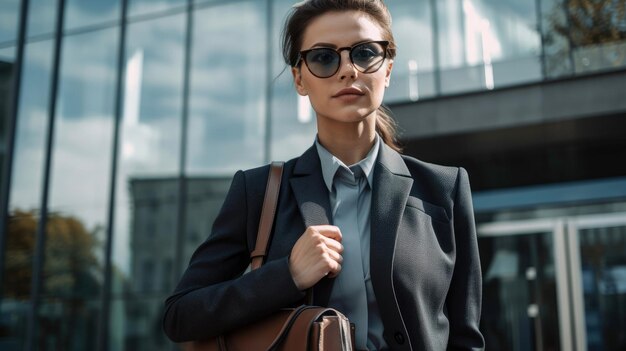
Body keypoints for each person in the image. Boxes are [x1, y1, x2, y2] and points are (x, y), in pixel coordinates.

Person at [163, 0, 484, 350]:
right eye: (324, 57)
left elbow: (465, 338)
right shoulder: (256, 191)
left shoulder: (445, 189)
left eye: (364, 53)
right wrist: (288, 275)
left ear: (388, 69)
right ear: (300, 78)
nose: (348, 70)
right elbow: (180, 315)